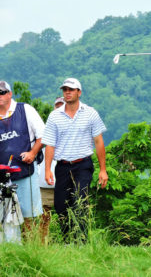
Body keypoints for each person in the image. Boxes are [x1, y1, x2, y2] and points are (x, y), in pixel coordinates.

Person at [42, 78, 108, 241]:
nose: (67, 92)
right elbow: (49, 144)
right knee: (60, 205)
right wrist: (47, 169)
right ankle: (67, 239)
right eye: (65, 89)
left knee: (80, 201)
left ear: (79, 92)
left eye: (71, 89)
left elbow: (98, 141)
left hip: (83, 164)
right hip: (62, 165)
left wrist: (103, 170)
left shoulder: (90, 113)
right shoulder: (54, 116)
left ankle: (82, 240)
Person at [0, 80, 44, 238]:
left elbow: (43, 136)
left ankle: (32, 250)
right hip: (2, 177)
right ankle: (11, 252)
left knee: (29, 215)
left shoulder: (25, 109)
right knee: (5, 218)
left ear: (10, 94)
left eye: (2, 92)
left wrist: (32, 153)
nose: (0, 96)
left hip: (25, 172)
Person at [38, 97, 65, 244]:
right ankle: (43, 245)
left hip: (65, 181)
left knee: (66, 216)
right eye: (58, 107)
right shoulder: (44, 128)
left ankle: (69, 244)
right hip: (44, 182)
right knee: (44, 216)